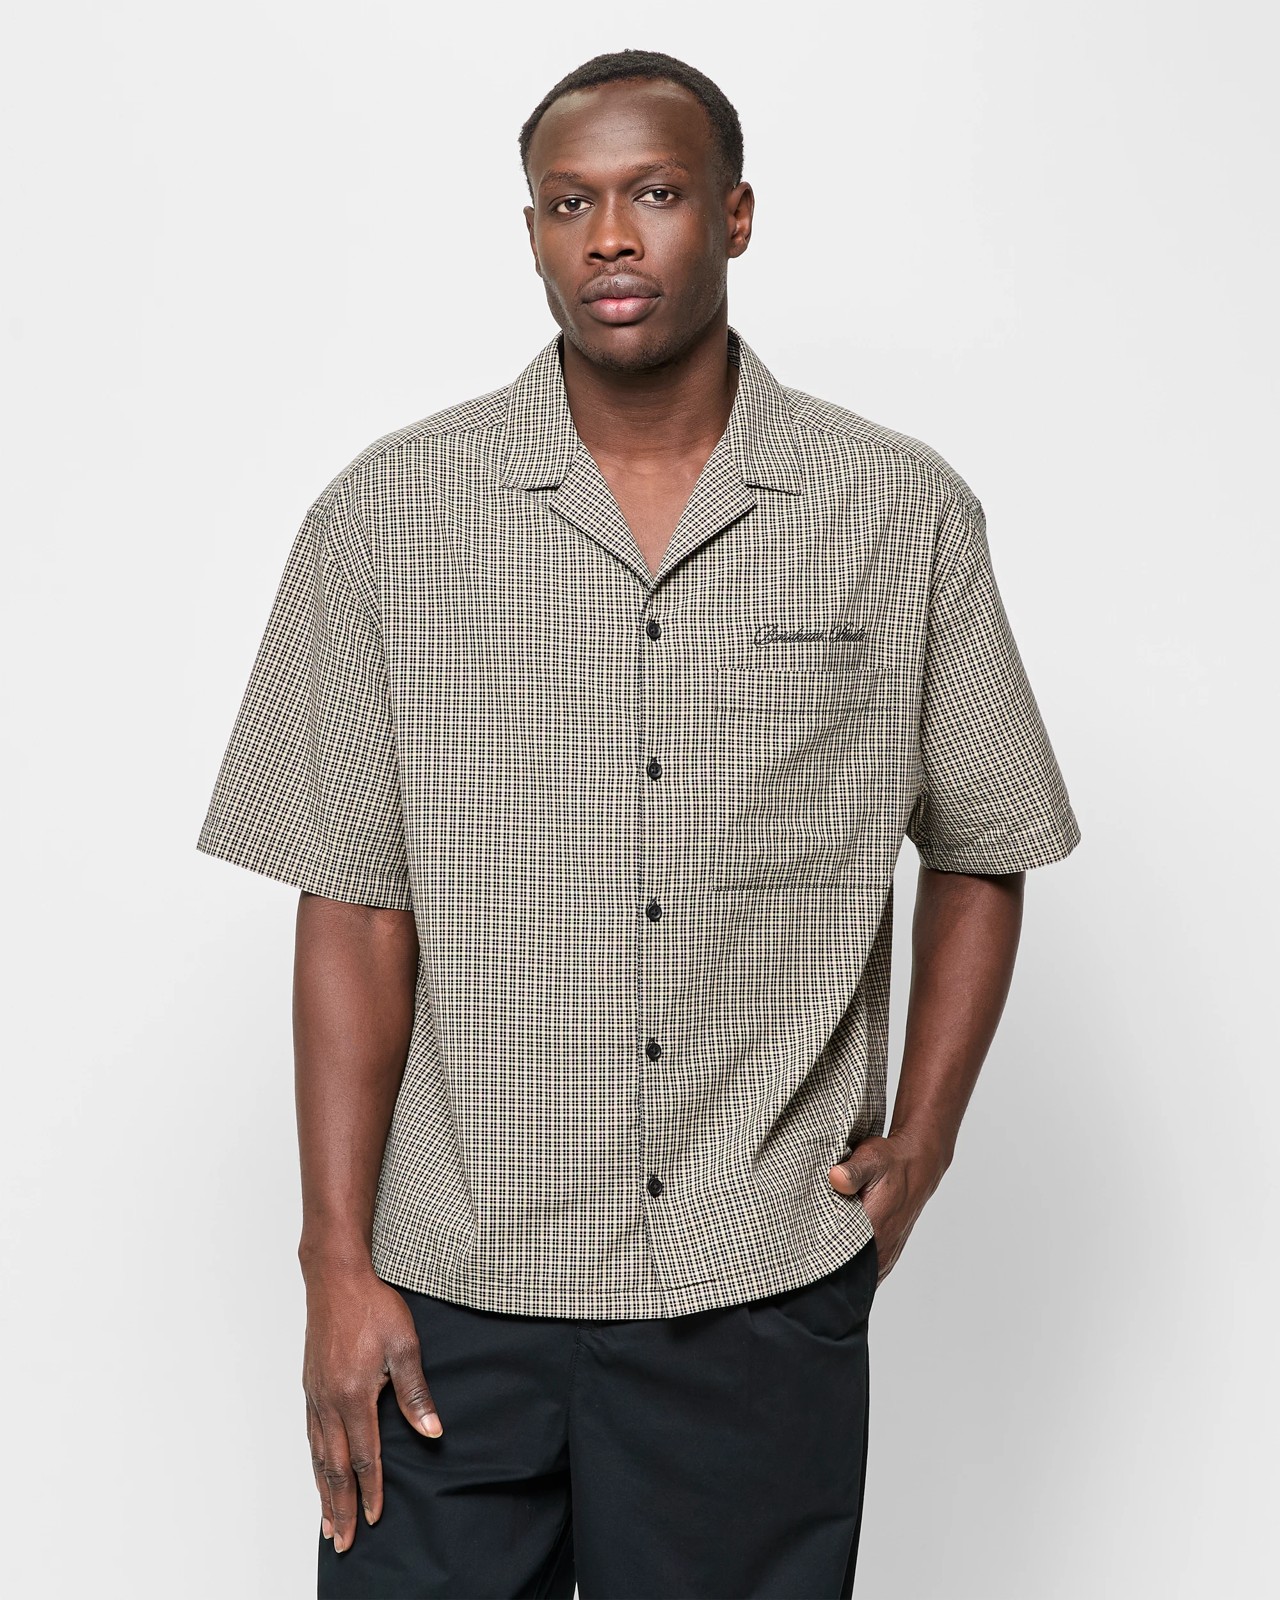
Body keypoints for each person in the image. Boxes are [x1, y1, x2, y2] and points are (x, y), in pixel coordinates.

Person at [196, 46, 1081, 1600]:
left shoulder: (898, 511)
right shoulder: (387, 518)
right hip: (449, 1295)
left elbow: (983, 839)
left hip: (756, 1290)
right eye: (570, 203)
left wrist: (926, 1141)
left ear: (734, 216)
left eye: (656, 193)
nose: (610, 235)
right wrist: (335, 1264)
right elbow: (353, 907)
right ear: (533, 233)